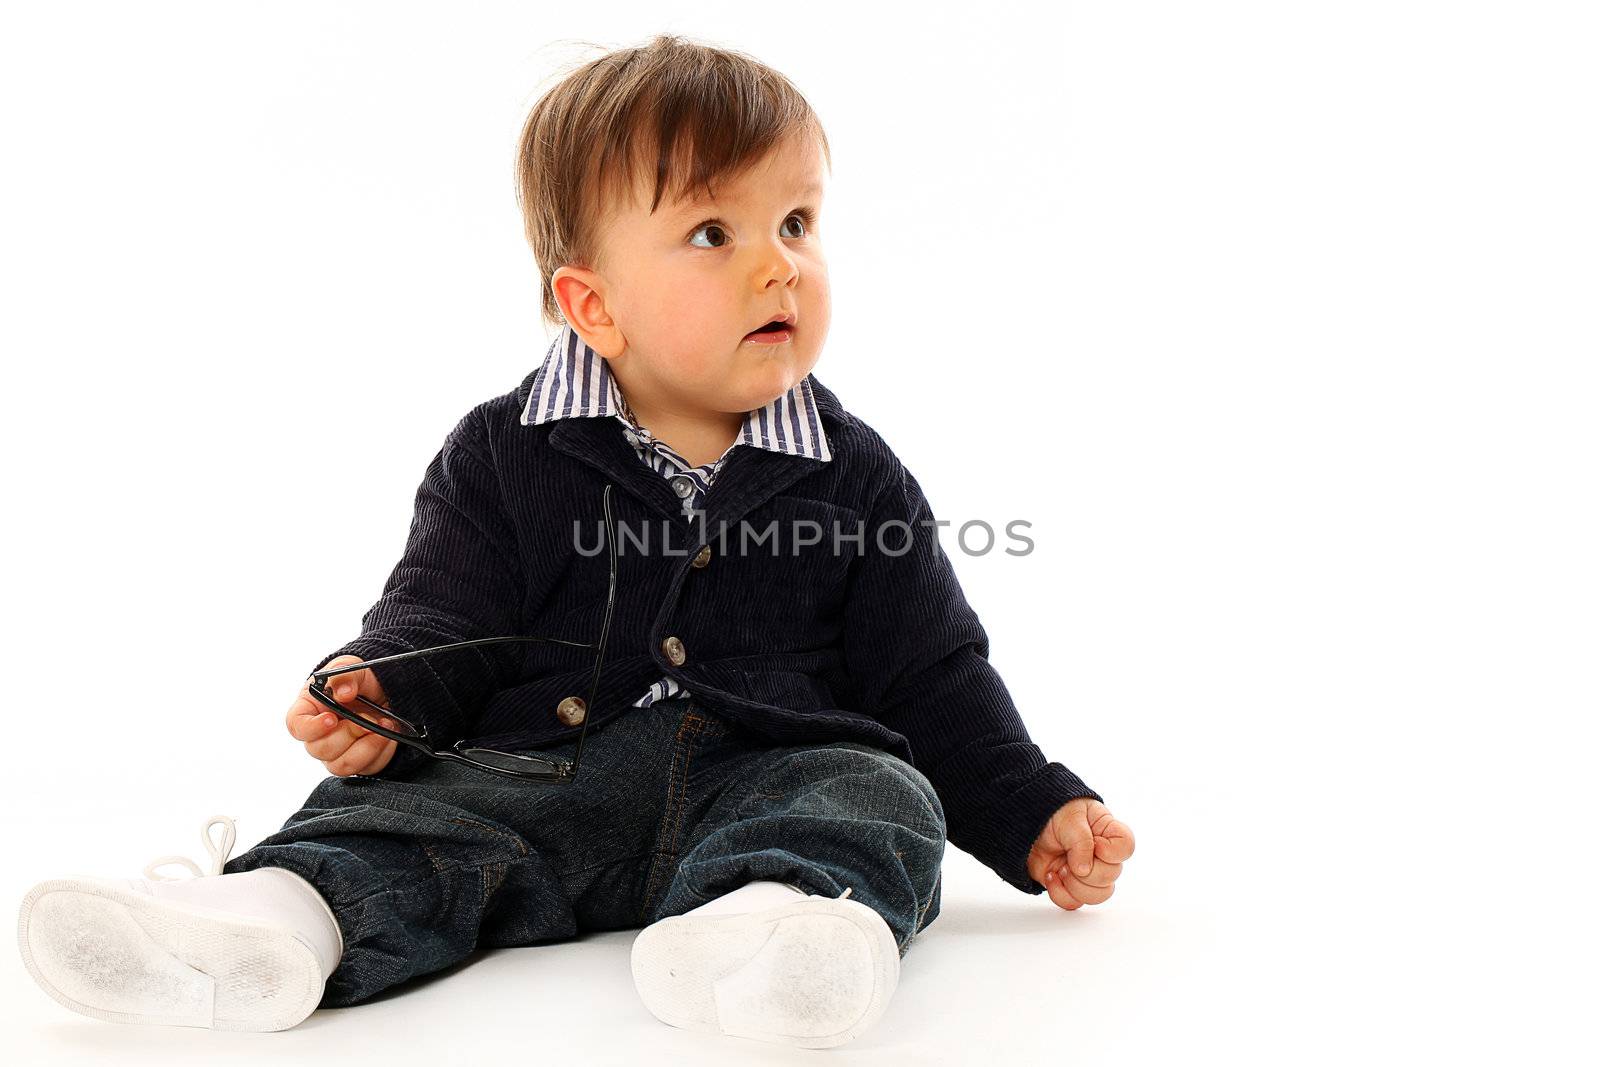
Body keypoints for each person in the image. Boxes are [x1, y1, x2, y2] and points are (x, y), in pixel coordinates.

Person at [17, 33, 1135, 1049]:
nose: (778, 263)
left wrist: (1027, 805)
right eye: (714, 231)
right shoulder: (506, 451)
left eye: (796, 222)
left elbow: (931, 669)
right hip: (536, 771)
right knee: (404, 818)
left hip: (764, 772)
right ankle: (266, 921)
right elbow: (444, 608)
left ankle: (772, 927)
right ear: (593, 306)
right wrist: (386, 688)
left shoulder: (854, 470)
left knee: (873, 795)